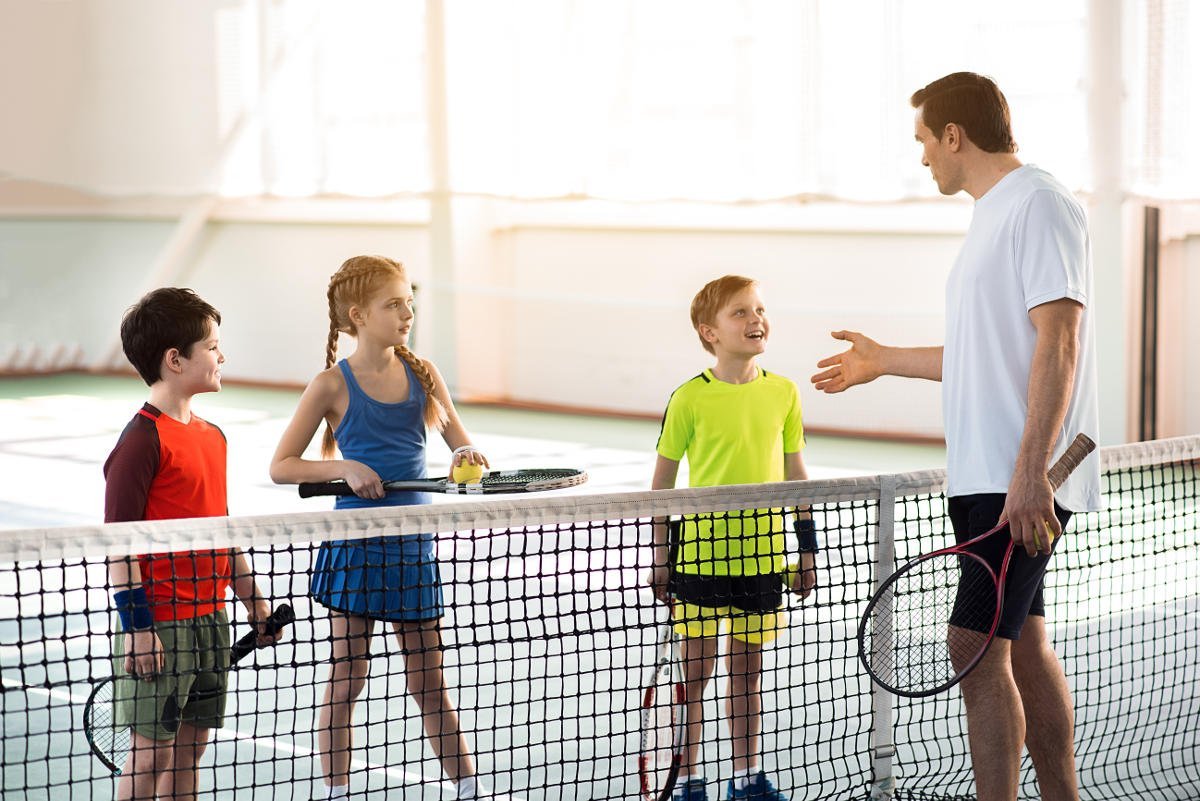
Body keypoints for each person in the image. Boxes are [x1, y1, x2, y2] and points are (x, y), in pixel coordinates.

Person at [811, 72, 1100, 801]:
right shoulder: (995, 214)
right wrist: (883, 362)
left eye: (922, 142)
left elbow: (1059, 341)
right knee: (1024, 645)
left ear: (953, 135)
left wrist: (1032, 471)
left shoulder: (1037, 202)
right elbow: (984, 353)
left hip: (1018, 478)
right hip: (988, 476)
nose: (922, 160)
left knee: (971, 644)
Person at [269, 255, 488, 801]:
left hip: (413, 547)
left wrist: (468, 453)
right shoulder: (329, 385)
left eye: (409, 302)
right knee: (348, 676)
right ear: (358, 315)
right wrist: (344, 467)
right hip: (356, 549)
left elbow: (460, 441)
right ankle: (338, 791)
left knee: (429, 681)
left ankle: (467, 789)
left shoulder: (423, 373)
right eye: (394, 304)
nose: (407, 312)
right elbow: (282, 466)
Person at [104, 287, 282, 801]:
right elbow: (120, 545)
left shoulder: (213, 436)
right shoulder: (140, 441)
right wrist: (138, 630)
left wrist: (253, 603)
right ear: (175, 359)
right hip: (159, 625)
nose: (222, 356)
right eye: (212, 346)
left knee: (190, 751)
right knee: (150, 757)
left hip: (212, 620)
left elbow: (221, 531)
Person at [649, 275, 818, 801]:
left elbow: (796, 477)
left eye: (760, 309)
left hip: (764, 558)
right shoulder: (688, 398)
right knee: (695, 675)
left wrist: (806, 550)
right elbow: (662, 487)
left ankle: (746, 778)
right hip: (699, 560)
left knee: (747, 674)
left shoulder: (784, 392)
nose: (756, 320)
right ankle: (689, 780)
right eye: (740, 313)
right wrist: (661, 559)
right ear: (710, 331)